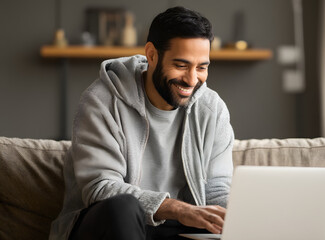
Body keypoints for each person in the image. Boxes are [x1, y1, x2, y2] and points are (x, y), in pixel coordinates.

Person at [49, 6, 234, 240]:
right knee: (123, 207)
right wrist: (179, 209)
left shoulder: (212, 109)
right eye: (181, 65)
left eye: (202, 67)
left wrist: (234, 217)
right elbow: (101, 188)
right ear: (152, 54)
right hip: (108, 226)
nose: (191, 79)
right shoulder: (102, 101)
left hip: (176, 229)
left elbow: (217, 189)